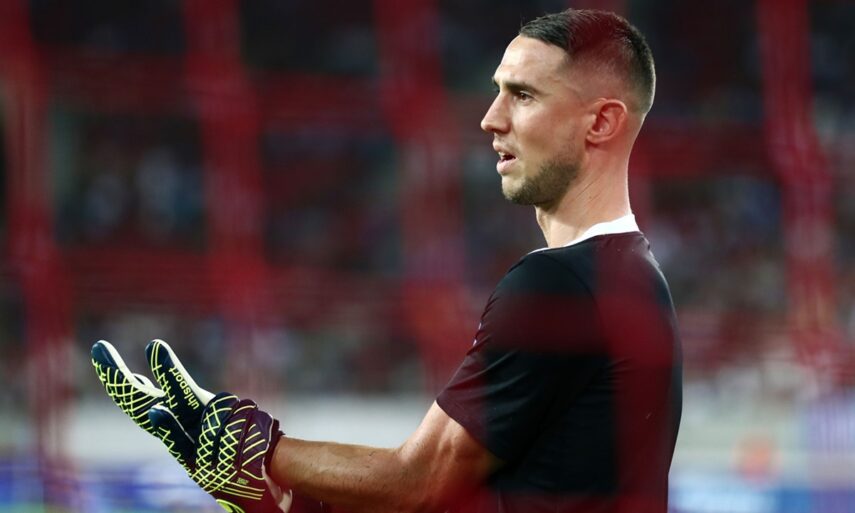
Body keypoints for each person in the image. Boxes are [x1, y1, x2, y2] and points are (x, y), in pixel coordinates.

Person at [93, 8, 682, 513]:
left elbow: (419, 483)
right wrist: (280, 495)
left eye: (523, 95)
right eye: (498, 90)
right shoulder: (639, 279)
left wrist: (256, 447)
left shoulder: (557, 285)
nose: (491, 118)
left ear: (601, 122)